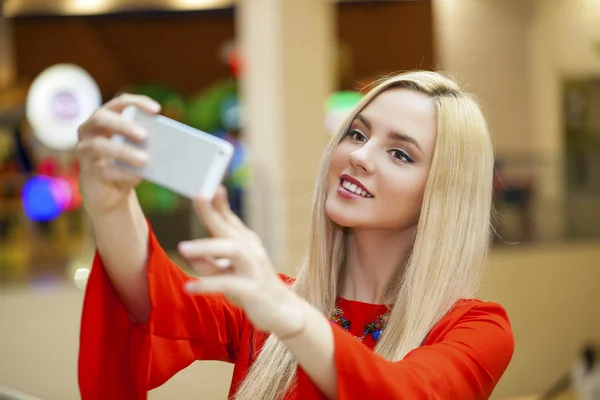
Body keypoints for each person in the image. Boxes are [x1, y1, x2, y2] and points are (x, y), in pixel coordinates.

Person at [76, 71, 514, 400]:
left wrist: (287, 313)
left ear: (442, 191)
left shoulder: (476, 329)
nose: (359, 155)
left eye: (400, 153)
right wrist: (110, 206)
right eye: (356, 133)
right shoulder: (272, 303)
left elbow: (406, 392)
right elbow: (153, 302)